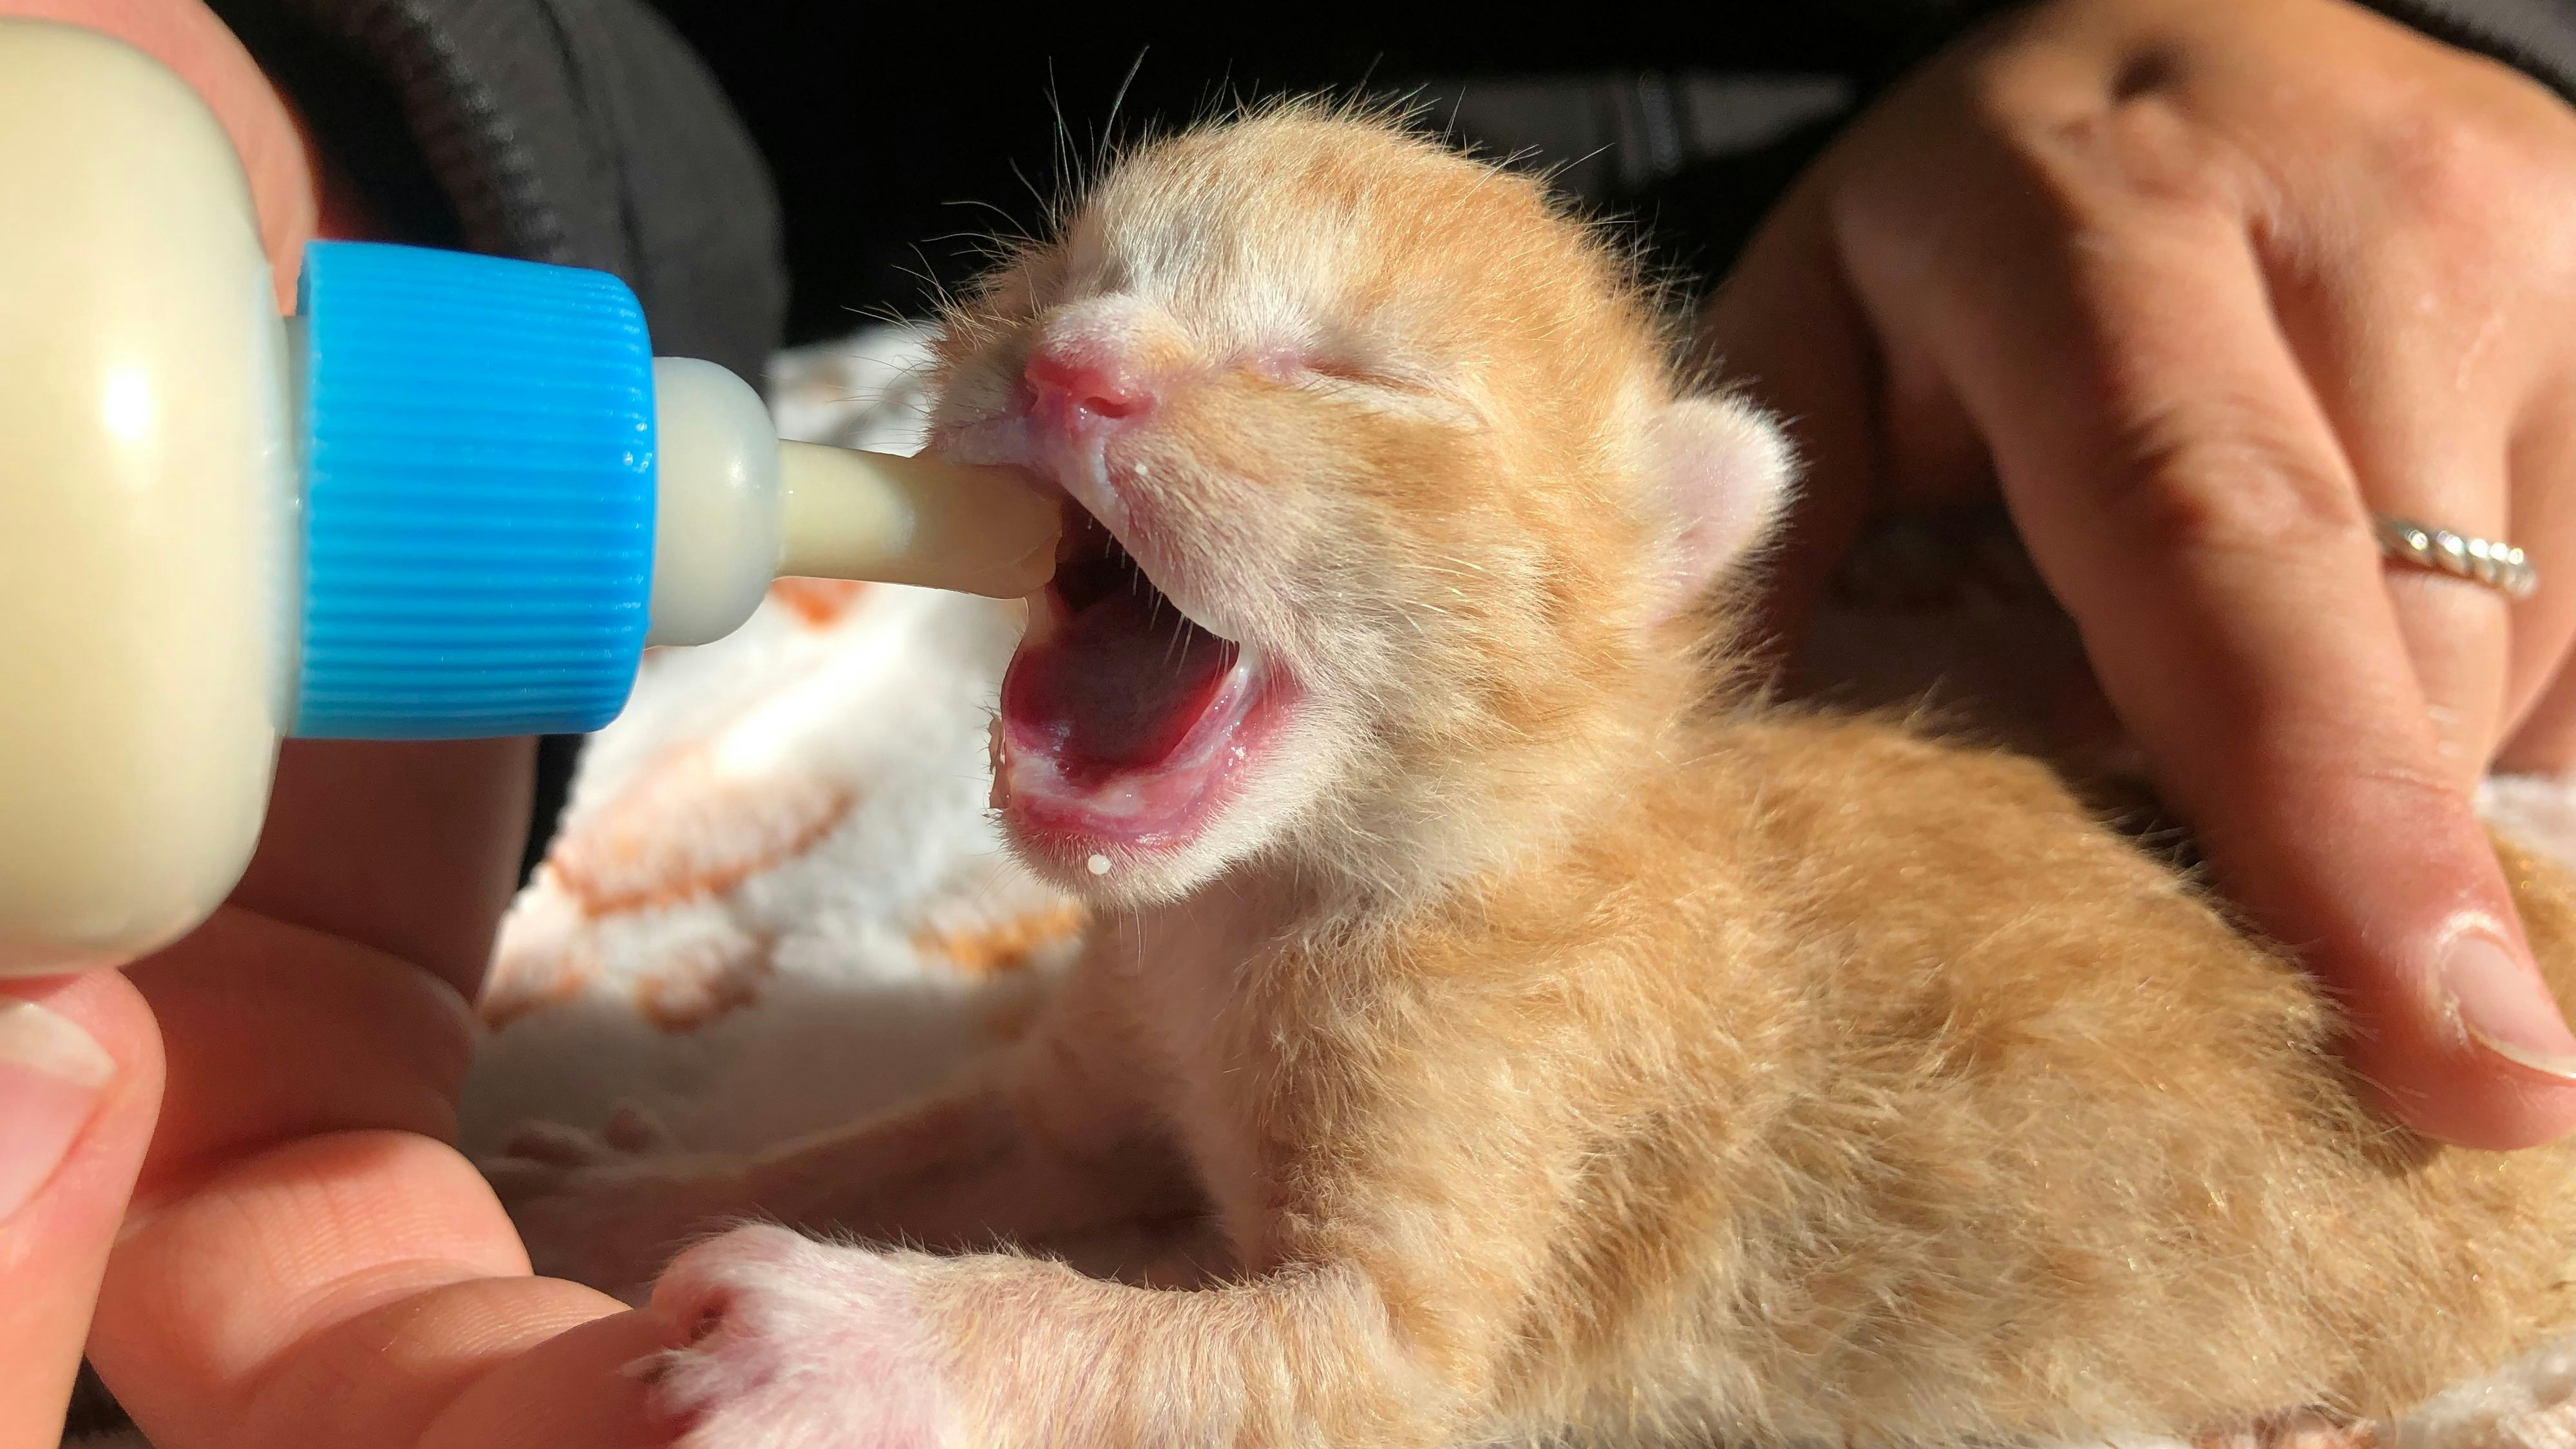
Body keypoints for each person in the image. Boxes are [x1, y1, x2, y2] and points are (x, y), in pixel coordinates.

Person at [5, 0, 2574, 1443]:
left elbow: (1382, 1353)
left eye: (1342, 380)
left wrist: (940, 1354)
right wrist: (640, 1226)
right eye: (1079, 271)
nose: (1093, 356)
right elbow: (1060, 1135)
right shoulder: (1250, 882)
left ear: (1655, 560)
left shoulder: (1506, 963)